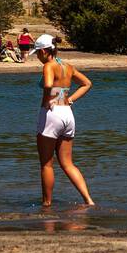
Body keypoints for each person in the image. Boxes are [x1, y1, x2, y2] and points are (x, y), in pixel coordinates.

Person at [29, 34, 95, 207]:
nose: (37, 57)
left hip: (52, 114)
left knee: (46, 164)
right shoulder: (68, 66)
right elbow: (87, 83)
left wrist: (48, 99)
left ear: (44, 51)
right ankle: (89, 200)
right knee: (67, 163)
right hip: (67, 113)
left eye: (37, 53)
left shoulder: (49, 66)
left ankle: (47, 204)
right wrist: (69, 99)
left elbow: (49, 84)